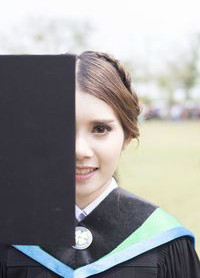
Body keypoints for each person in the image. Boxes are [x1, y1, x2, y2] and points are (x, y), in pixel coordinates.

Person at [1, 51, 200, 277]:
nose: (79, 151)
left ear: (127, 135)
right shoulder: (11, 239)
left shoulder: (164, 241)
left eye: (100, 129)